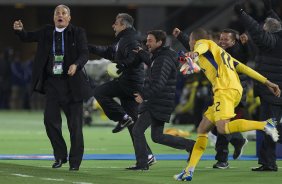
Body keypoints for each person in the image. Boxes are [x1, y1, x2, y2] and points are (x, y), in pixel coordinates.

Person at [174, 28, 280, 181]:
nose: (190, 43)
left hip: (225, 90)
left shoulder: (203, 44)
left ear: (194, 41)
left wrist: (195, 53)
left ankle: (265, 124)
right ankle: (189, 170)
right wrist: (268, 82)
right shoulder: (222, 54)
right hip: (231, 91)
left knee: (223, 128)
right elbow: (245, 68)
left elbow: (201, 46)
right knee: (203, 129)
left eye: (190, 40)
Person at [14, 4, 93, 171]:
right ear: (54, 17)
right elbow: (27, 37)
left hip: (73, 85)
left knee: (75, 127)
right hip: (52, 84)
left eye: (64, 13)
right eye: (58, 13)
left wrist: (76, 65)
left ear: (69, 18)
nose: (61, 15)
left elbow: (84, 53)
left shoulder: (78, 32)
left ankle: (75, 163)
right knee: (50, 121)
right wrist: (20, 30)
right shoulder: (46, 31)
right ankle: (60, 156)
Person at [88, 13, 155, 165]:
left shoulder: (130, 39)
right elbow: (108, 51)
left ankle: (122, 118)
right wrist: (89, 47)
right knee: (134, 126)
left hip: (129, 83)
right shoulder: (124, 39)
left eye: (116, 23)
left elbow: (135, 57)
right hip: (130, 83)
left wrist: (123, 64)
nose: (113, 25)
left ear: (123, 25)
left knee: (99, 92)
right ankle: (147, 157)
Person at [127, 30, 195, 171]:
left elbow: (158, 83)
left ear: (160, 42)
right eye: (147, 40)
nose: (147, 43)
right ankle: (191, 145)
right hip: (163, 101)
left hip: (156, 102)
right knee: (157, 137)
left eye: (150, 40)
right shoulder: (164, 55)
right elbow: (153, 62)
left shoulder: (162, 59)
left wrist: (143, 95)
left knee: (137, 131)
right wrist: (141, 52)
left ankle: (142, 164)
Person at [234, 0, 282, 171]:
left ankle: (269, 163)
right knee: (271, 126)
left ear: (267, 31)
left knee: (269, 128)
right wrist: (269, 10)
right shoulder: (279, 35)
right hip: (274, 92)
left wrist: (242, 13)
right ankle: (267, 162)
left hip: (272, 93)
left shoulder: (270, 42)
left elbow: (255, 29)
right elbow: (275, 22)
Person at [210, 28, 250, 169]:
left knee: (222, 126)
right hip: (223, 93)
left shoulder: (236, 51)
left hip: (233, 95)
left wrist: (245, 45)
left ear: (234, 41)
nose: (222, 41)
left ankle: (222, 160)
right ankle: (238, 140)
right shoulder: (223, 51)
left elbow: (245, 56)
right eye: (221, 38)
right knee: (215, 125)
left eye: (226, 39)